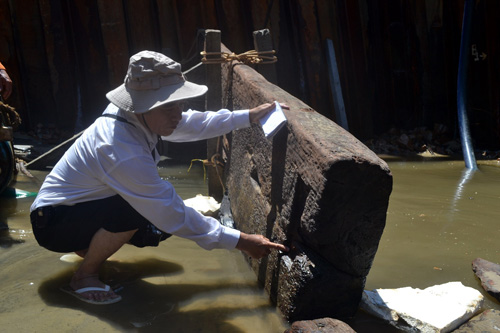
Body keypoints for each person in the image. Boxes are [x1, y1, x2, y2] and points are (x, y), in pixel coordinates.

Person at [30, 50, 289, 305]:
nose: (178, 113)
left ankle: (89, 251)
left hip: (71, 210)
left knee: (146, 213)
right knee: (143, 214)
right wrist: (241, 241)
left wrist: (248, 116)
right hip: (54, 224)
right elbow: (171, 213)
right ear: (142, 106)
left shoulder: (134, 115)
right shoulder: (121, 149)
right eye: (168, 106)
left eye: (179, 103)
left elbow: (191, 124)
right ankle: (85, 275)